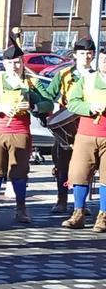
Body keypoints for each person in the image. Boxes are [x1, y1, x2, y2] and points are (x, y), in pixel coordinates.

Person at [0, 41, 52, 223]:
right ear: (5, 64)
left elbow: (48, 104)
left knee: (20, 171)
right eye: (11, 62)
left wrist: (33, 105)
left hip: (20, 131)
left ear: (23, 62)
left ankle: (21, 209)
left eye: (18, 62)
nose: (15, 66)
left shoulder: (32, 82)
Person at [46, 37, 96, 214]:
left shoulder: (96, 76)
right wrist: (49, 112)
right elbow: (47, 95)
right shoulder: (64, 74)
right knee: (62, 163)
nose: (86, 57)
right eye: (82, 53)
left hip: (89, 123)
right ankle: (62, 199)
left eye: (89, 53)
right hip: (67, 125)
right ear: (75, 55)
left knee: (87, 165)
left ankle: (81, 203)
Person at [61, 46, 106, 231]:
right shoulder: (87, 80)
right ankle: (78, 212)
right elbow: (73, 103)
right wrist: (89, 107)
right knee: (79, 173)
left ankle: (103, 216)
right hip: (86, 135)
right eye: (103, 60)